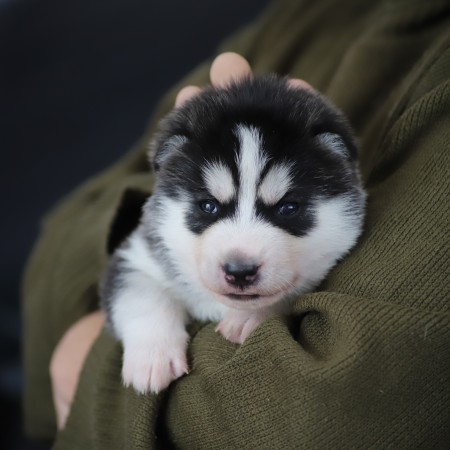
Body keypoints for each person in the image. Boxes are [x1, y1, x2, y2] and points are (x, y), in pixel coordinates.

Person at [23, 0, 450, 448]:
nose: (241, 254)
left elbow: (329, 410)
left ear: (348, 181)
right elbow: (77, 247)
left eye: (287, 209)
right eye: (208, 207)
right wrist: (148, 329)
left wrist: (93, 363)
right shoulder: (310, 12)